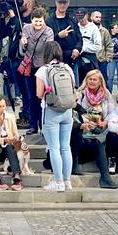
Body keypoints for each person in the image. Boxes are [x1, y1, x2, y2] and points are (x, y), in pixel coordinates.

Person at [35, 41, 75, 192]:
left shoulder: (42, 70)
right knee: (66, 147)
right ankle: (67, 180)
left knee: (54, 148)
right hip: (67, 111)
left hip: (51, 111)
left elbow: (39, 94)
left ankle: (58, 181)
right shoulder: (67, 68)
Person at [71, 69, 118, 189]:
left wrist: (105, 122)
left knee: (111, 132)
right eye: (89, 79)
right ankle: (106, 177)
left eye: (94, 79)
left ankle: (106, 176)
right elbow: (75, 114)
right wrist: (87, 122)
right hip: (84, 131)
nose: (91, 81)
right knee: (97, 143)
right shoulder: (80, 94)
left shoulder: (106, 94)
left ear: (100, 81)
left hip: (100, 129)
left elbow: (113, 113)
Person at [0, 0, 34, 128]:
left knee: (27, 90)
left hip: (24, 60)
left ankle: (28, 115)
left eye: (21, 2)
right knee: (21, 89)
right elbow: (3, 33)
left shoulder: (29, 20)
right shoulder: (14, 19)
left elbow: (23, 30)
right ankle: (24, 114)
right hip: (13, 60)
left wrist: (14, 16)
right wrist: (3, 18)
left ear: (28, 4)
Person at [19, 7, 54, 134]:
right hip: (30, 66)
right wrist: (23, 43)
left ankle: (44, 125)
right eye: (36, 21)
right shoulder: (26, 28)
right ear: (31, 20)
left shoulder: (49, 31)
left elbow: (49, 50)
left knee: (42, 97)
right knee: (31, 96)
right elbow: (22, 50)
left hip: (42, 66)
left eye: (40, 21)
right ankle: (33, 124)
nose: (38, 24)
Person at [46, 0, 83, 85]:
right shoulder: (49, 22)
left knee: (74, 87)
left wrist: (77, 49)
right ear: (56, 3)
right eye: (60, 3)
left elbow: (80, 39)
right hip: (55, 62)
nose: (62, 5)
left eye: (64, 3)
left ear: (68, 3)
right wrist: (58, 36)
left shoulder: (72, 20)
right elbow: (46, 42)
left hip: (72, 60)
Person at [75, 8, 101, 82]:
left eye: (82, 17)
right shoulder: (75, 27)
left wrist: (83, 48)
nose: (80, 19)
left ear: (86, 16)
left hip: (89, 62)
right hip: (77, 61)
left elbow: (98, 46)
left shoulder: (93, 28)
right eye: (78, 17)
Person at [91, 11, 113, 83]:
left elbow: (109, 45)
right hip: (90, 59)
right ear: (91, 18)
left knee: (103, 79)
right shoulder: (88, 29)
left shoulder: (104, 31)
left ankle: (105, 94)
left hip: (102, 59)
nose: (98, 19)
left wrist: (108, 58)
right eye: (96, 17)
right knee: (91, 78)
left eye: (100, 17)